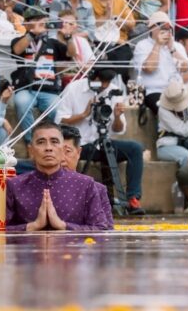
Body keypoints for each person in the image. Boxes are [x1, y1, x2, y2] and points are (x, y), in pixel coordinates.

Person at [54, 67, 145, 215]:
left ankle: (133, 199)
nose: (103, 86)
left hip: (104, 142)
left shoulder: (114, 90)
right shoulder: (74, 88)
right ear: (92, 77)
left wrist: (116, 116)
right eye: (100, 82)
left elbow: (118, 129)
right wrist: (84, 114)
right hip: (81, 143)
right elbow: (60, 120)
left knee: (135, 148)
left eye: (107, 83)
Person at [5, 122, 113, 232]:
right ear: (31, 150)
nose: (48, 148)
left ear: (62, 149)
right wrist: (33, 226)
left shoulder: (85, 185)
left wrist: (63, 226)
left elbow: (102, 230)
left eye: (54, 142)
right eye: (41, 142)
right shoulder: (15, 185)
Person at [11, 8, 76, 135]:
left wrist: (68, 37)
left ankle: (53, 139)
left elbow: (71, 54)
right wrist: (32, 33)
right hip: (26, 88)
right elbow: (17, 50)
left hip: (49, 90)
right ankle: (31, 140)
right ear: (26, 23)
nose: (41, 23)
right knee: (21, 102)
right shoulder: (19, 41)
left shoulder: (53, 43)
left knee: (58, 110)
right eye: (36, 20)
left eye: (42, 20)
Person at [132, 11, 188, 114]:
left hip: (177, 91)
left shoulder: (177, 46)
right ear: (152, 27)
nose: (165, 29)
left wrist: (172, 48)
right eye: (161, 25)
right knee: (168, 112)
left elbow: (185, 68)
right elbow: (149, 68)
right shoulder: (142, 45)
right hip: (154, 91)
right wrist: (158, 45)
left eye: (168, 27)